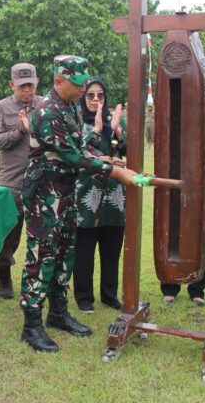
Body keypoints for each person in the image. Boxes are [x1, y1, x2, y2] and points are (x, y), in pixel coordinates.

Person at [19, 55, 137, 353]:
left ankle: (58, 312)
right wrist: (114, 171)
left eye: (85, 83)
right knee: (42, 256)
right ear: (59, 81)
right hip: (45, 194)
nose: (83, 89)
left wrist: (106, 159)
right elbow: (71, 156)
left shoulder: (69, 105)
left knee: (65, 252)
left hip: (66, 191)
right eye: (78, 84)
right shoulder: (47, 111)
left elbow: (80, 146)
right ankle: (31, 325)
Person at [0, 63, 43, 299]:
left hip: (42, 179)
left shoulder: (45, 105)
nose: (26, 90)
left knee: (42, 232)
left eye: (30, 84)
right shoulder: (1, 107)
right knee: (8, 231)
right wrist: (19, 131)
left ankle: (39, 278)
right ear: (12, 85)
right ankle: (3, 274)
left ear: (36, 83)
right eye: (21, 86)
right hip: (12, 181)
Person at [73, 77, 127, 313]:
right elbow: (77, 153)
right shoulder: (75, 122)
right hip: (88, 194)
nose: (96, 99)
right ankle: (84, 297)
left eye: (100, 95)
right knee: (84, 249)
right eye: (90, 95)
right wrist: (95, 131)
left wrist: (117, 131)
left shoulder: (114, 120)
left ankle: (109, 294)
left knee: (112, 248)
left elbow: (128, 150)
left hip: (114, 195)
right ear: (83, 98)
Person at [161, 126, 205, 306]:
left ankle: (197, 290)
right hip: (176, 199)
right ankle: (170, 288)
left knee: (203, 249)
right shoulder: (173, 130)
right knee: (174, 244)